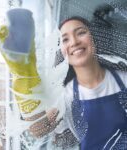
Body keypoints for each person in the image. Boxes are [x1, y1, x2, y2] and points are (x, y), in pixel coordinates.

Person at [29, 16, 127, 150]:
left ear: (94, 39)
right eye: (65, 39)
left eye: (81, 33)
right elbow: (38, 130)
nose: (74, 42)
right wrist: (24, 72)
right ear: (62, 52)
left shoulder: (124, 80)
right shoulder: (66, 97)